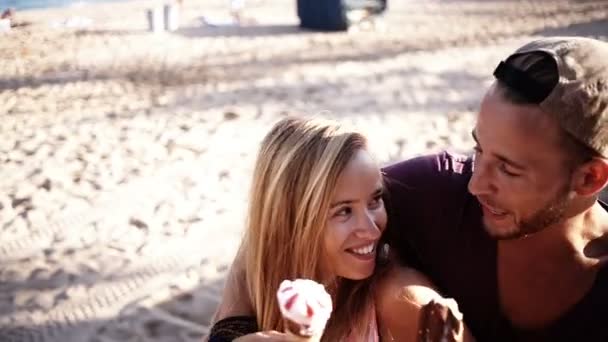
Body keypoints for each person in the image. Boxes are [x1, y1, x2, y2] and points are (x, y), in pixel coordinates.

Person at [207, 36, 608, 341]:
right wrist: (230, 332)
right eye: (479, 149)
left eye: (507, 168)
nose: (474, 182)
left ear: (590, 178)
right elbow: (287, 213)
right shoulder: (435, 190)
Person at [206, 117, 473, 341]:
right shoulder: (256, 278)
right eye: (344, 211)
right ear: (292, 220)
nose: (371, 230)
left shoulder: (402, 300)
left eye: (375, 200)